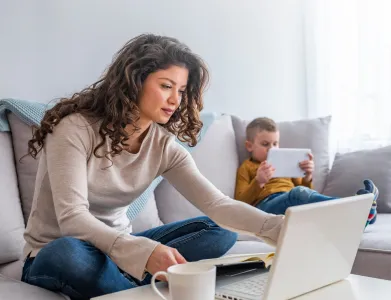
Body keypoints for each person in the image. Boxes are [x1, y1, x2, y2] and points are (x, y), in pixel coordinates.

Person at [21, 34, 285, 300]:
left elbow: (218, 205)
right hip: (54, 252)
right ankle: (141, 285)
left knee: (219, 230)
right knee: (68, 252)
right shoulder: (74, 129)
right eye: (166, 86)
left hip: (120, 253)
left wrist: (280, 227)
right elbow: (73, 219)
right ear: (134, 83)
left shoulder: (164, 147)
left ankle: (126, 283)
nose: (175, 100)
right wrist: (141, 253)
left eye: (181, 91)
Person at [235, 117, 378, 224]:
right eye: (265, 144)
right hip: (265, 206)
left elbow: (306, 191)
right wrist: (258, 182)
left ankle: (363, 217)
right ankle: (357, 207)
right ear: (249, 146)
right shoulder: (247, 167)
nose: (272, 148)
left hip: (291, 200)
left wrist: (308, 176)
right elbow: (240, 202)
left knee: (305, 200)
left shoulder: (283, 161)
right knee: (298, 194)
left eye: (275, 143)